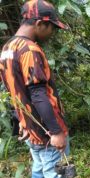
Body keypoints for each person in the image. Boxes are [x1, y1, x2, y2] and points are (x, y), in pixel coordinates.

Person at [0, 0, 69, 177]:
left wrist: (19, 122)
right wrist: (56, 132)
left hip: (30, 129)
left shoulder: (8, 48)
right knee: (54, 172)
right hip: (46, 132)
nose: (52, 32)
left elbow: (13, 91)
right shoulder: (29, 50)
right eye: (52, 27)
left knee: (39, 168)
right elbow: (38, 94)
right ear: (39, 23)